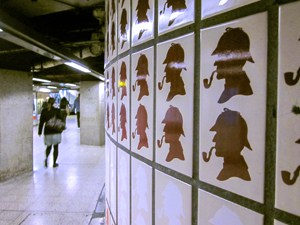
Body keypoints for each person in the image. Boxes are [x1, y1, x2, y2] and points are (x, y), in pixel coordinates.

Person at [38, 97, 63, 168]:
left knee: (48, 147)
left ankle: (46, 158)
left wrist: (39, 131)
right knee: (56, 147)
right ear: (53, 103)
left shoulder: (44, 111)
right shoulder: (57, 110)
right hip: (56, 131)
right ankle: (54, 163)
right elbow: (61, 120)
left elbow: (41, 122)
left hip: (47, 131)